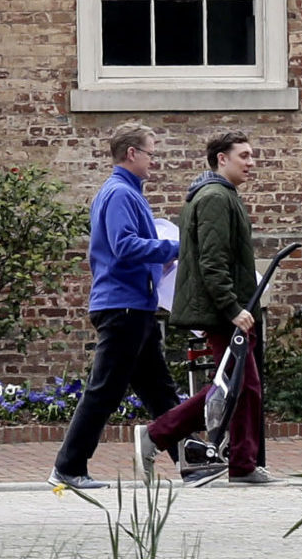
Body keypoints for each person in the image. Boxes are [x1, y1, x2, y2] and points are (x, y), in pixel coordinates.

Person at [48, 123, 182, 492]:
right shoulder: (121, 193)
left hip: (133, 305)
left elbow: (126, 248)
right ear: (132, 153)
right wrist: (174, 249)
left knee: (160, 393)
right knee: (105, 390)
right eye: (151, 153)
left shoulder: (126, 193)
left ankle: (191, 461)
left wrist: (161, 261)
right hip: (123, 306)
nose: (155, 162)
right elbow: (125, 246)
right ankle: (68, 467)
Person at [147, 129, 267, 485]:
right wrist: (233, 308)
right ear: (221, 160)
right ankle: (160, 435)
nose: (251, 162)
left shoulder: (221, 195)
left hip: (229, 310)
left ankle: (242, 463)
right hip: (224, 312)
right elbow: (212, 263)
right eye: (243, 155)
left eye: (251, 155)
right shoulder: (215, 198)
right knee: (240, 387)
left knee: (236, 386)